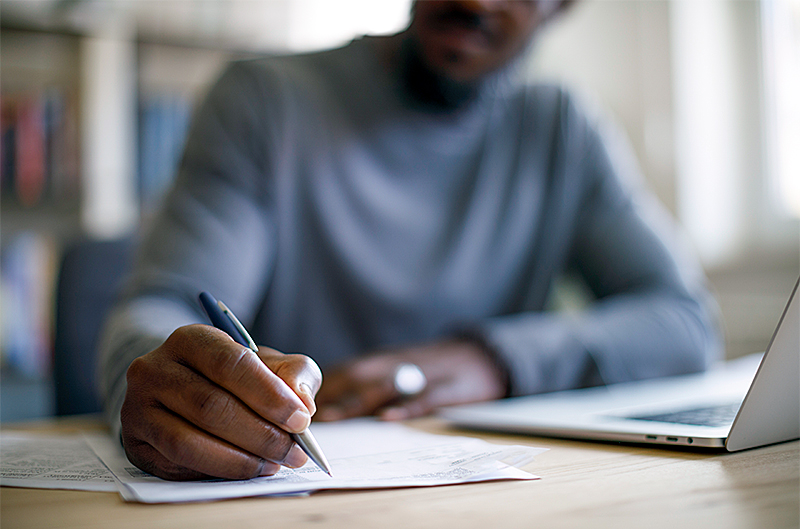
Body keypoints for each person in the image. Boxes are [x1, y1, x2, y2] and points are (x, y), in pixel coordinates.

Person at [99, 0, 721, 481]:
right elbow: (162, 307)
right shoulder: (264, 103)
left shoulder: (561, 130)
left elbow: (683, 320)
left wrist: (490, 359)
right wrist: (161, 384)